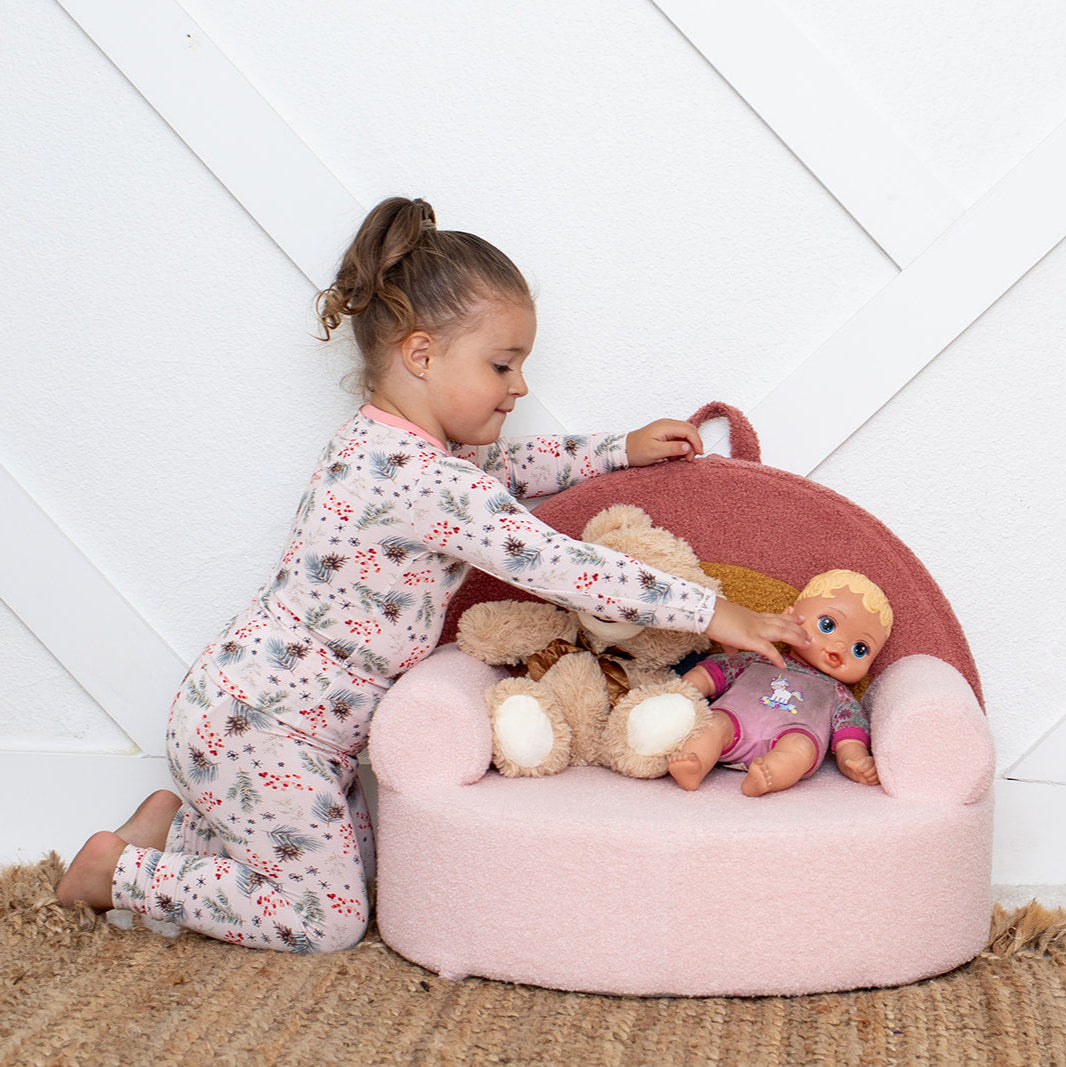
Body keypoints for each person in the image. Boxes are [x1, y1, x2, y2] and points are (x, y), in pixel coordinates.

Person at [57, 196, 810, 952]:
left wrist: (617, 449)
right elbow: (556, 562)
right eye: (502, 365)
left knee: (367, 870)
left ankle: (177, 832)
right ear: (421, 355)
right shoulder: (416, 477)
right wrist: (712, 612)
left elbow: (509, 469)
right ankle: (118, 875)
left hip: (266, 720)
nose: (517, 388)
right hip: (263, 727)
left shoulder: (395, 451)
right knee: (327, 919)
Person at [668, 569, 892, 796]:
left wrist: (854, 761)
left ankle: (769, 776)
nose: (840, 646)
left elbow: (850, 736)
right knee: (713, 724)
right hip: (734, 722)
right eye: (827, 625)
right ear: (788, 617)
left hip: (793, 735)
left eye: (859, 649)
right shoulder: (760, 657)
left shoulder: (839, 694)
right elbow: (715, 672)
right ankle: (694, 764)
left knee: (801, 748)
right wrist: (685, 690)